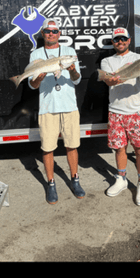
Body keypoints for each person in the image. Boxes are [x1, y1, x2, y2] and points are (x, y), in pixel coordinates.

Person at [28, 17, 85, 204]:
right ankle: (51, 184)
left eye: (54, 31)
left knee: (72, 145)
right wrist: (39, 76)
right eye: (47, 31)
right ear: (43, 34)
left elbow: (76, 79)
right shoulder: (36, 54)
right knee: (47, 148)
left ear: (59, 33)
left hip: (69, 107)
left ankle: (75, 180)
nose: (51, 34)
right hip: (47, 108)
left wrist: (73, 69)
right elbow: (33, 85)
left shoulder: (69, 52)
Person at [100, 27, 140, 206]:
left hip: (137, 111)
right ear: (112, 42)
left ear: (129, 40)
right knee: (119, 149)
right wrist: (111, 80)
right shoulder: (106, 61)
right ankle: (121, 179)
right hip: (116, 111)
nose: (120, 42)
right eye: (117, 39)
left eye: (123, 38)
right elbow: (108, 81)